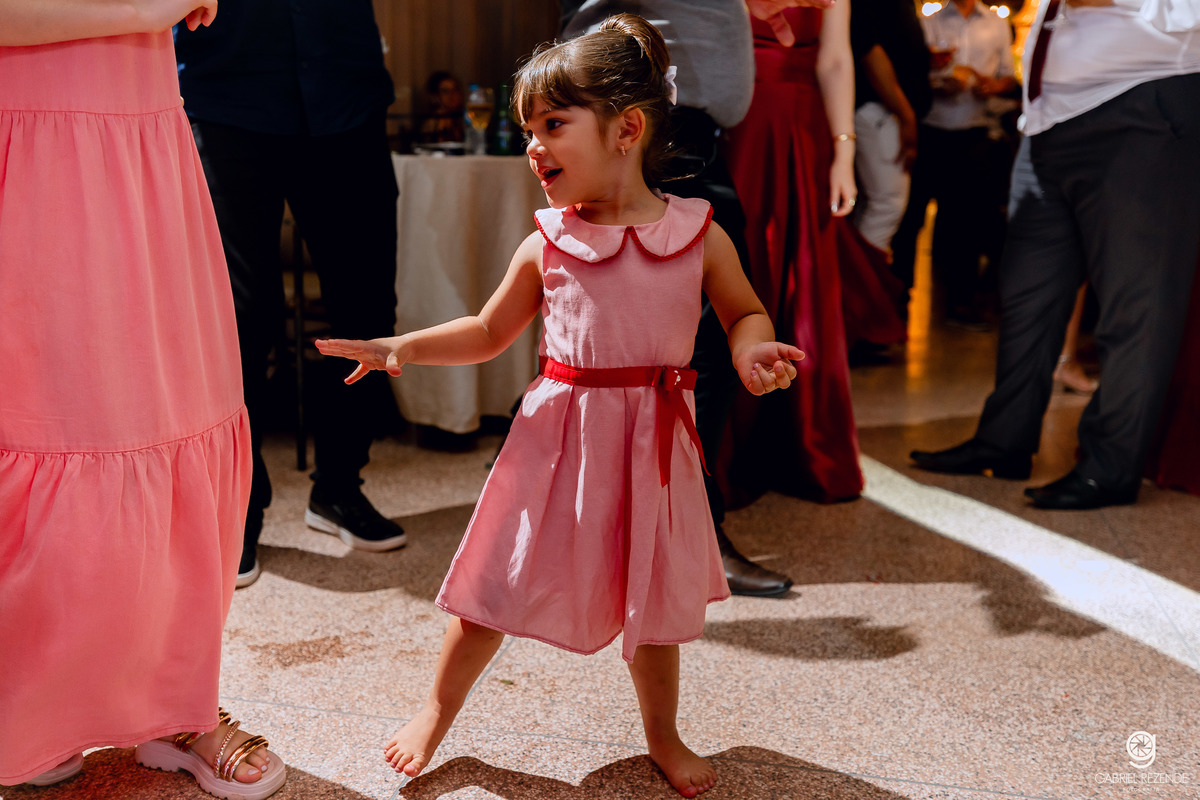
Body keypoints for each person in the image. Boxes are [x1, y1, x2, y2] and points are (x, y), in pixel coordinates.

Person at [316, 15, 802, 796]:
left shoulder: (699, 233)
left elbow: (745, 311)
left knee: (652, 606)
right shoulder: (547, 241)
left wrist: (751, 351)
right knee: (492, 591)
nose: (533, 146)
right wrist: (406, 346)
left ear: (627, 129)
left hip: (651, 449)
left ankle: (663, 733)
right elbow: (487, 330)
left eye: (552, 125)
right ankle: (436, 712)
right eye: (528, 130)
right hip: (556, 446)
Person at [0, 2, 285, 796]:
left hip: (144, 141)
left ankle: (176, 703)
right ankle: (33, 705)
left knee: (174, 411)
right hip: (35, 152)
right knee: (54, 417)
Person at [561, 0, 831, 598]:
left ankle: (658, 526)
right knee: (694, 349)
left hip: (682, 131)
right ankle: (687, 530)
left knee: (688, 344)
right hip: (656, 131)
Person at [910, 0, 1200, 510]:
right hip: (1049, 120)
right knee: (1026, 293)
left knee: (1135, 303)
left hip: (1138, 107)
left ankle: (1110, 467)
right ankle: (1003, 441)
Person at [174, 0, 407, 589]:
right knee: (241, 316)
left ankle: (339, 486)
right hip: (228, 94)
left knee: (367, 304)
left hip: (346, 91)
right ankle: (239, 507)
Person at [720, 4, 867, 505]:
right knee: (738, 269)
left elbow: (836, 59)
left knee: (806, 278)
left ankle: (807, 444)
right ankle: (722, 450)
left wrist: (845, 151)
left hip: (804, 127)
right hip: (736, 123)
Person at [891, 0, 1018, 327]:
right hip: (931, 130)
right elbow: (912, 72)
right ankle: (899, 298)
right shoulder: (928, 20)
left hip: (973, 132)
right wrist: (937, 78)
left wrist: (991, 85)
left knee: (964, 221)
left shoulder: (996, 24)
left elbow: (1008, 77)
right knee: (911, 217)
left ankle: (959, 302)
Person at [848, 0, 933, 254]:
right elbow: (869, 50)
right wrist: (905, 115)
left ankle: (859, 271)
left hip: (884, 109)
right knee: (888, 203)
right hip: (879, 109)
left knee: (873, 201)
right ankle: (866, 276)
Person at [420, 70, 466, 144]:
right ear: (435, 96)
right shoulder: (434, 123)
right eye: (446, 91)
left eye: (455, 90)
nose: (452, 95)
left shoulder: (460, 119)